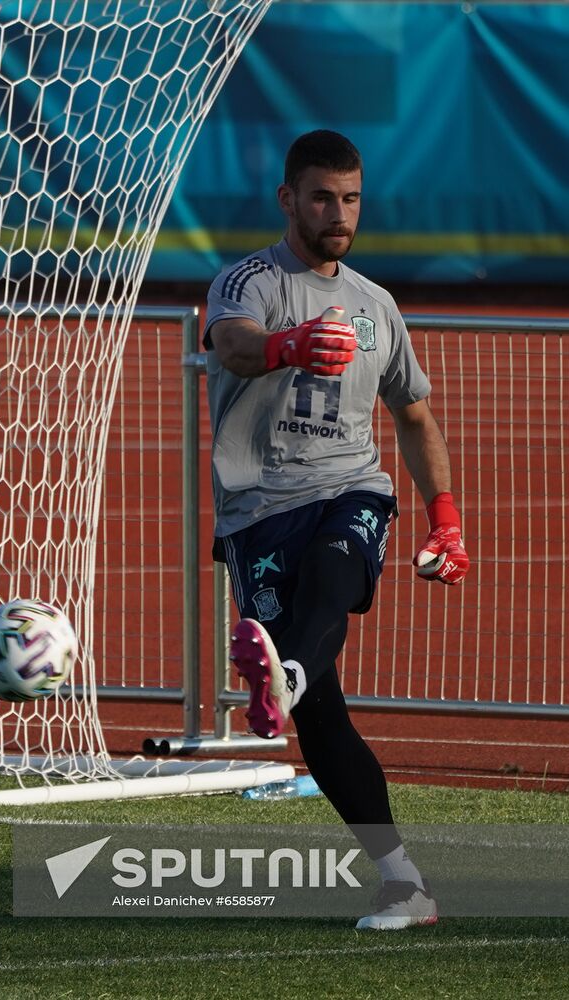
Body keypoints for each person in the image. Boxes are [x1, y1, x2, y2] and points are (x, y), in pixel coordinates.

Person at [203, 130, 469, 930]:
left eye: (349, 198)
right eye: (321, 197)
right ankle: (404, 885)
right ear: (288, 200)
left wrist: (445, 519)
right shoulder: (249, 281)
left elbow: (413, 415)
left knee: (335, 565)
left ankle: (281, 675)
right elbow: (232, 345)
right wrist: (288, 344)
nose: (338, 213)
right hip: (258, 510)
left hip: (351, 487)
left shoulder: (375, 304)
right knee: (320, 720)